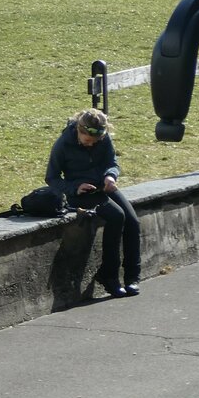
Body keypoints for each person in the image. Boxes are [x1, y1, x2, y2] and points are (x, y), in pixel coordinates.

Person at [45, 109, 142, 298]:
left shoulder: (103, 138)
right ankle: (109, 275)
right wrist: (75, 187)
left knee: (132, 221)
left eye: (95, 142)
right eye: (87, 141)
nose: (91, 145)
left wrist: (110, 176)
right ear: (79, 132)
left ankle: (132, 277)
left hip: (103, 186)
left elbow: (112, 162)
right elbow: (52, 177)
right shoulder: (63, 144)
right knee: (116, 216)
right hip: (81, 193)